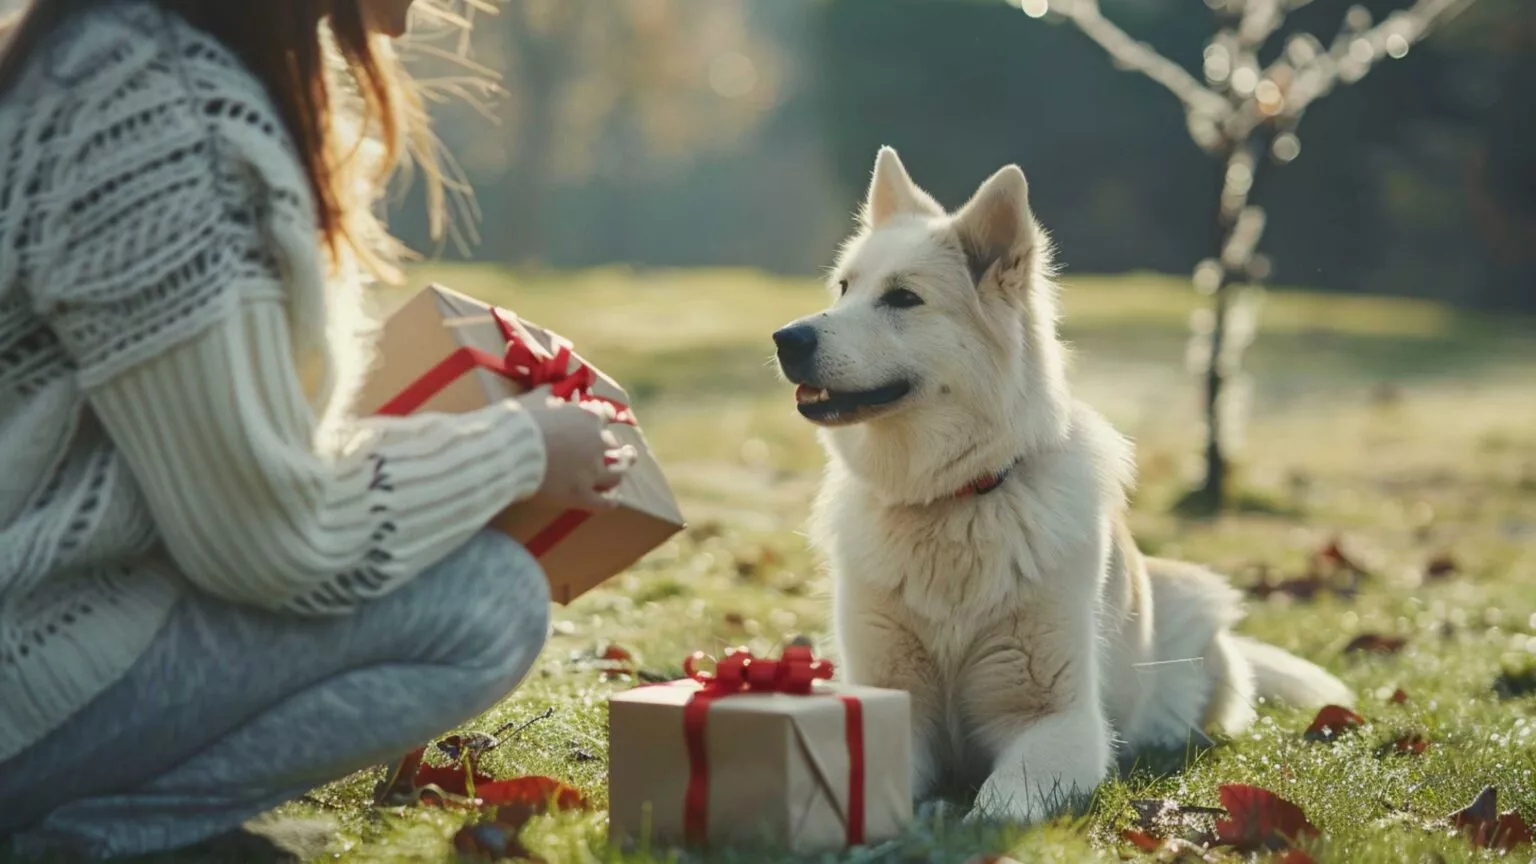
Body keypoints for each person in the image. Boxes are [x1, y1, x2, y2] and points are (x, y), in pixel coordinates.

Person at [0, 0, 629, 859]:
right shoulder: (158, 124)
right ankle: (98, 843)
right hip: (23, 679)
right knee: (487, 602)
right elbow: (268, 537)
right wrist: (521, 447)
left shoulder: (103, 63)